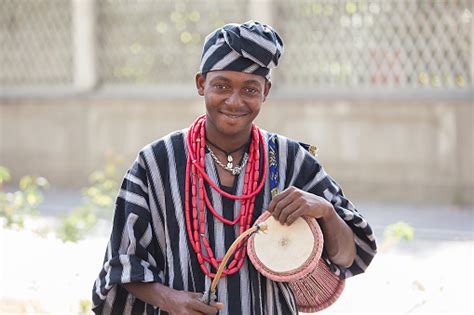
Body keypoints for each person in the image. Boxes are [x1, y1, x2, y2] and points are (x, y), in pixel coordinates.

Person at [92, 21, 376, 315]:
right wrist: (170, 299)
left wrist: (326, 212)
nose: (234, 100)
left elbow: (348, 256)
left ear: (265, 91)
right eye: (221, 85)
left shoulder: (292, 160)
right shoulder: (156, 162)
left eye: (250, 89)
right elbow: (122, 264)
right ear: (201, 84)